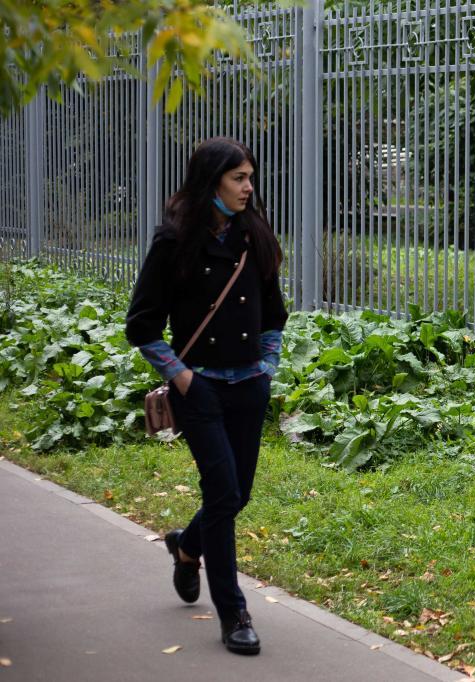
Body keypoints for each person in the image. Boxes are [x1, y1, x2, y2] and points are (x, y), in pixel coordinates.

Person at [125, 137, 288, 655]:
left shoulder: (253, 235)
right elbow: (142, 325)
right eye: (238, 178)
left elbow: (274, 314)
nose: (248, 187)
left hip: (249, 386)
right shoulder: (174, 240)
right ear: (211, 179)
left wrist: (267, 367)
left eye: (250, 178)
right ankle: (234, 612)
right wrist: (184, 378)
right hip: (202, 391)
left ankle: (187, 545)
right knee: (222, 493)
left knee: (237, 494)